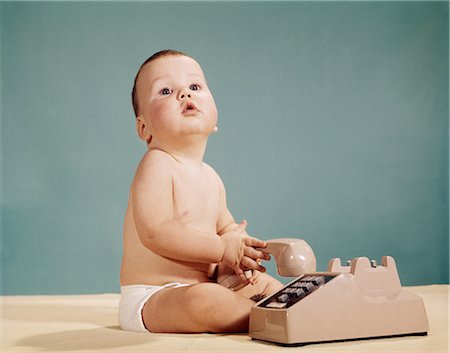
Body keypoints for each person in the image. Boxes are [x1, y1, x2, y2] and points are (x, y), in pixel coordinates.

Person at [119, 49, 283, 334]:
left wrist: (238, 243)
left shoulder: (211, 177)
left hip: (207, 286)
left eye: (194, 87)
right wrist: (222, 249)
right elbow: (155, 231)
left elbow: (226, 228)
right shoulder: (157, 163)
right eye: (166, 90)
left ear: (215, 117)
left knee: (266, 285)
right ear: (144, 128)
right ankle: (274, 317)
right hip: (153, 297)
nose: (185, 94)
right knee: (203, 301)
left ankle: (286, 306)